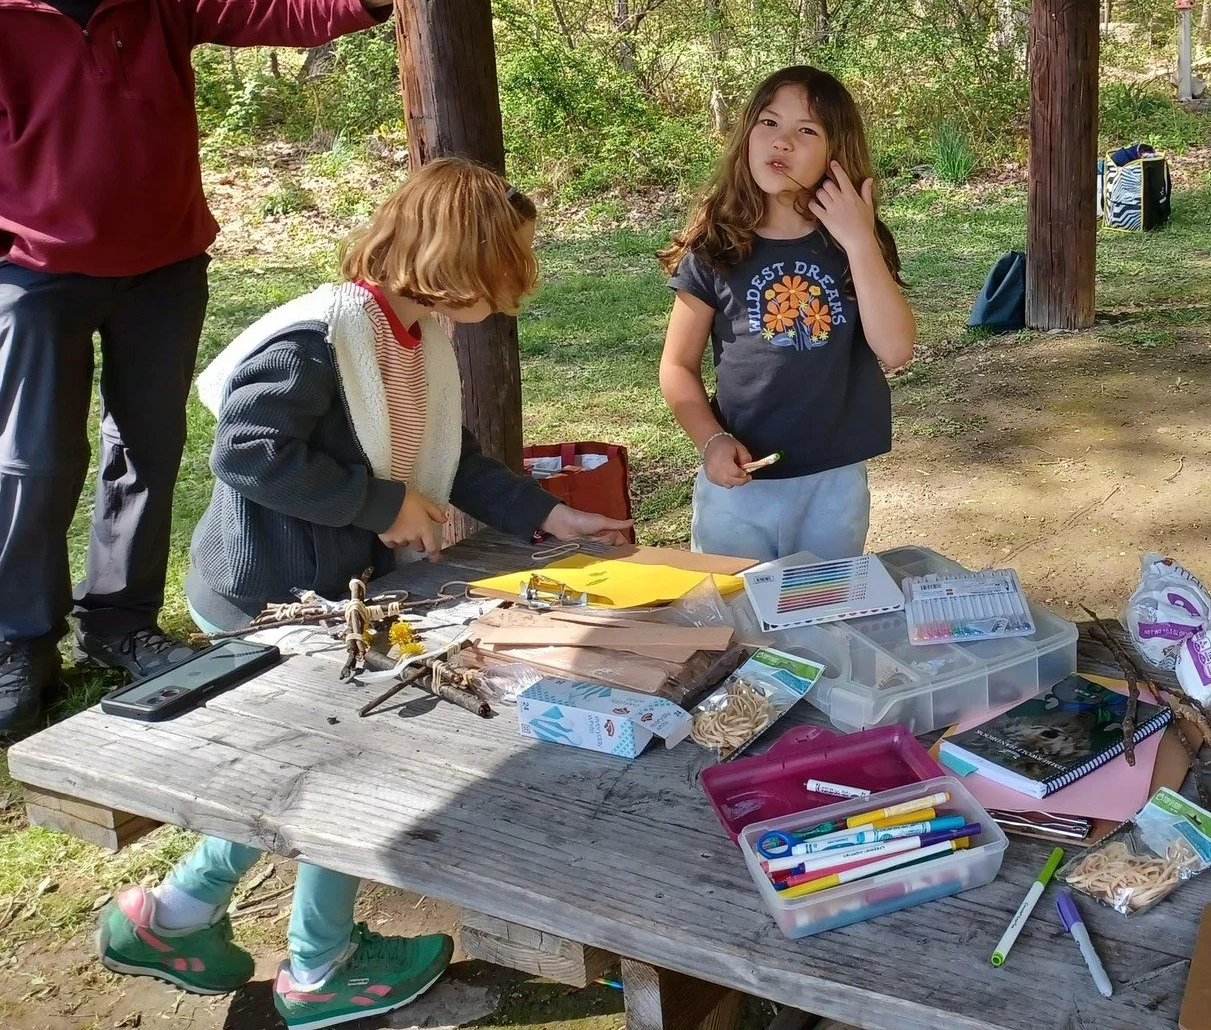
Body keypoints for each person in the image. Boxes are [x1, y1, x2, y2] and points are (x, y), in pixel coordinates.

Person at [97, 157, 629, 1026]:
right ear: (460, 258)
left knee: (306, 766)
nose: (522, 280)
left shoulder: (416, 338)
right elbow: (247, 453)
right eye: (513, 260)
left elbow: (451, 460)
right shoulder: (320, 339)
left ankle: (176, 915)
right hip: (268, 596)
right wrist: (382, 504)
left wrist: (549, 516)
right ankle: (320, 968)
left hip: (329, 592)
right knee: (346, 772)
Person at [0, 0, 403, 732]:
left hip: (164, 271)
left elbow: (267, 7)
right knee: (33, 460)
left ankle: (121, 625)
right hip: (35, 277)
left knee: (146, 450)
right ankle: (20, 641)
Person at [657, 67, 915, 561]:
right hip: (738, 484)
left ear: (836, 153)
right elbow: (677, 366)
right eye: (769, 123)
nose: (783, 141)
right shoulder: (716, 247)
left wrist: (859, 240)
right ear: (746, 135)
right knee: (733, 606)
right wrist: (711, 440)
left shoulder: (855, 245)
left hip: (833, 485)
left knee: (821, 607)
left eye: (807, 130)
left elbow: (897, 349)